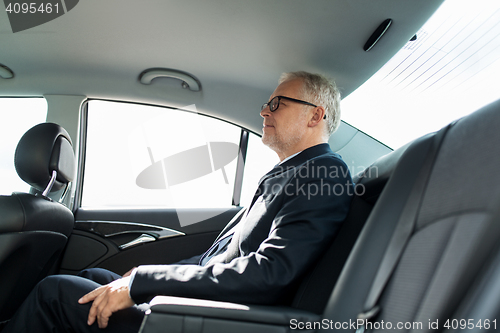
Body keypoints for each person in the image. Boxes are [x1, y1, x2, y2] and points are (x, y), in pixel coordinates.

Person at [2, 71, 353, 332]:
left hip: (215, 319)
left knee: (55, 292)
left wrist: (144, 283)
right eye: (266, 104)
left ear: (315, 115)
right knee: (95, 276)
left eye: (277, 104)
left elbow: (270, 273)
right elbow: (210, 259)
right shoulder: (291, 173)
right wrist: (139, 278)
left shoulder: (323, 173)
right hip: (202, 304)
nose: (265, 112)